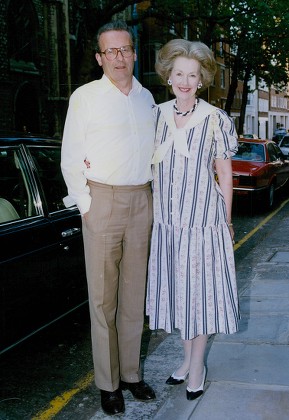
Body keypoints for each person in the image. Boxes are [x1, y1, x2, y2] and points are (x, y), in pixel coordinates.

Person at [61, 21, 156, 416]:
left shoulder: (147, 98)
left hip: (141, 201)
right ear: (100, 58)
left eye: (125, 49)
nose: (119, 57)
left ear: (134, 53)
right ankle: (108, 383)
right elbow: (70, 155)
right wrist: (85, 204)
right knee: (102, 301)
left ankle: (132, 374)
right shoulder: (85, 97)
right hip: (102, 200)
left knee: (135, 297)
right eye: (111, 51)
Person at [146, 39, 240, 401]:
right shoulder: (154, 114)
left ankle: (197, 367)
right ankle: (186, 361)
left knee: (198, 297)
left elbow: (224, 173)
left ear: (202, 80)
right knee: (178, 294)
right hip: (168, 225)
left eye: (193, 75)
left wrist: (227, 220)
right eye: (179, 73)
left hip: (203, 224)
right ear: (168, 76)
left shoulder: (214, 119)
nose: (185, 81)